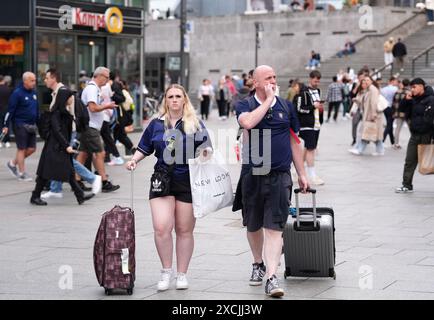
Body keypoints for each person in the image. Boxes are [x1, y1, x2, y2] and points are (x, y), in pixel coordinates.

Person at [126, 84, 211, 292]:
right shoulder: (156, 124)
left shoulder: (195, 124)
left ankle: (182, 274)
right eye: (170, 96)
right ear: (166, 100)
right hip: (161, 178)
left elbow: (207, 148)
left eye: (178, 96)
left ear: (184, 100)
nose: (174, 100)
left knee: (184, 230)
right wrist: (134, 160)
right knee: (162, 228)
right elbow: (144, 147)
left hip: (187, 179)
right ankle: (166, 270)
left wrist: (205, 153)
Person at [235, 65, 309, 298]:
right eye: (268, 78)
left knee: (274, 227)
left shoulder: (286, 107)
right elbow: (247, 123)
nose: (273, 81)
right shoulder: (244, 104)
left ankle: (272, 276)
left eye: (275, 77)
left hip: (280, 174)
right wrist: (267, 101)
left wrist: (302, 173)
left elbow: (294, 141)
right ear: (255, 82)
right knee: (253, 224)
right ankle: (258, 263)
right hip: (253, 174)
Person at [30, 69, 95, 206]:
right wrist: (67, 146)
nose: (72, 99)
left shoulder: (64, 113)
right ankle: (35, 196)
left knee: (69, 170)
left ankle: (80, 195)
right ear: (64, 98)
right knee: (46, 172)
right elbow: (57, 131)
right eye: (70, 97)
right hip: (55, 147)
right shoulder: (57, 114)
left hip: (58, 146)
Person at [76, 67, 120, 193]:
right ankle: (104, 182)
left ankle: (77, 180)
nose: (108, 79)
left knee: (83, 154)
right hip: (90, 127)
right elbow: (93, 108)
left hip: (91, 126)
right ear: (99, 76)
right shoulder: (92, 88)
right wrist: (107, 106)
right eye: (106, 77)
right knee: (100, 153)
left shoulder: (94, 88)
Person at [395, 78, 434, 193]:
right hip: (415, 134)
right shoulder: (412, 99)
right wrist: (406, 100)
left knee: (431, 160)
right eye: (411, 87)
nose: (412, 89)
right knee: (410, 160)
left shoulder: (431, 99)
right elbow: (401, 110)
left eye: (414, 87)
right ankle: (407, 185)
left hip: (428, 135)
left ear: (422, 86)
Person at [2, 72, 38, 181]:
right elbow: (10, 111)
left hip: (31, 125)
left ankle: (12, 163)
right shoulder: (17, 94)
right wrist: (5, 125)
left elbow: (36, 110)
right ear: (25, 81)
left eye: (34, 80)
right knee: (21, 149)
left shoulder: (34, 93)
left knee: (32, 149)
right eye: (32, 81)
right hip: (20, 124)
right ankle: (22, 173)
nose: (34, 83)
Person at [294, 70, 325, 186]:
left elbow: (316, 107)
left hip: (316, 124)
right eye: (315, 79)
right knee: (310, 149)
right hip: (306, 125)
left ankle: (298, 172)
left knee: (307, 149)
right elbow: (299, 108)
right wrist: (313, 107)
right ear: (310, 79)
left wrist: (320, 108)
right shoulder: (304, 92)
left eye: (318, 80)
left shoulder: (318, 91)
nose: (316, 82)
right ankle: (312, 175)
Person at [349, 76, 385, 156]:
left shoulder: (373, 90)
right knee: (375, 134)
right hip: (369, 114)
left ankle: (360, 149)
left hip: (373, 115)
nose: (366, 81)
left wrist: (373, 114)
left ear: (372, 81)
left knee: (367, 133)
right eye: (365, 80)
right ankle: (380, 150)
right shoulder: (369, 90)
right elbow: (365, 102)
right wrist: (357, 100)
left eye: (368, 80)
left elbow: (373, 103)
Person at [393, 78, 411, 149]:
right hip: (407, 113)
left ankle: (396, 143)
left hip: (398, 113)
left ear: (402, 84)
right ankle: (414, 142)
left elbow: (394, 103)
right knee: (411, 129)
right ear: (409, 84)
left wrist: (394, 112)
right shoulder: (409, 92)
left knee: (398, 129)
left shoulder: (397, 91)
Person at [381, 77, 399, 146]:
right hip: (391, 107)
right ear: (393, 81)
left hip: (385, 107)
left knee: (390, 123)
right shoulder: (395, 89)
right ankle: (382, 140)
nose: (396, 83)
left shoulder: (383, 89)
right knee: (389, 124)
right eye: (396, 81)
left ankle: (392, 141)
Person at [0, 75, 12, 148]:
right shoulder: (8, 89)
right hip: (6, 110)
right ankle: (7, 141)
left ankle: (0, 141)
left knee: (0, 125)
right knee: (6, 125)